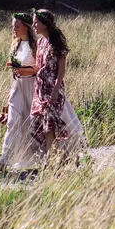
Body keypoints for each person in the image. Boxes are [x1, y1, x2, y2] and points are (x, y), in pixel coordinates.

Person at [29, 9, 86, 164]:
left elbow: (62, 70)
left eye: (36, 22)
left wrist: (55, 90)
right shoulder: (40, 42)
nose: (33, 25)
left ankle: (51, 161)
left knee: (50, 126)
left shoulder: (56, 43)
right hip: (40, 90)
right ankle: (59, 158)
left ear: (45, 24)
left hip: (52, 89)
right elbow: (38, 67)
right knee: (42, 125)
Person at [0, 13, 39, 171]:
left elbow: (39, 68)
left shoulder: (35, 45)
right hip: (17, 86)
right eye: (13, 26)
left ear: (26, 27)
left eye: (17, 26)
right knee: (12, 122)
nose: (14, 29)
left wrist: (23, 69)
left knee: (33, 124)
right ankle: (4, 159)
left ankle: (39, 158)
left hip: (32, 86)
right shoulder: (16, 45)